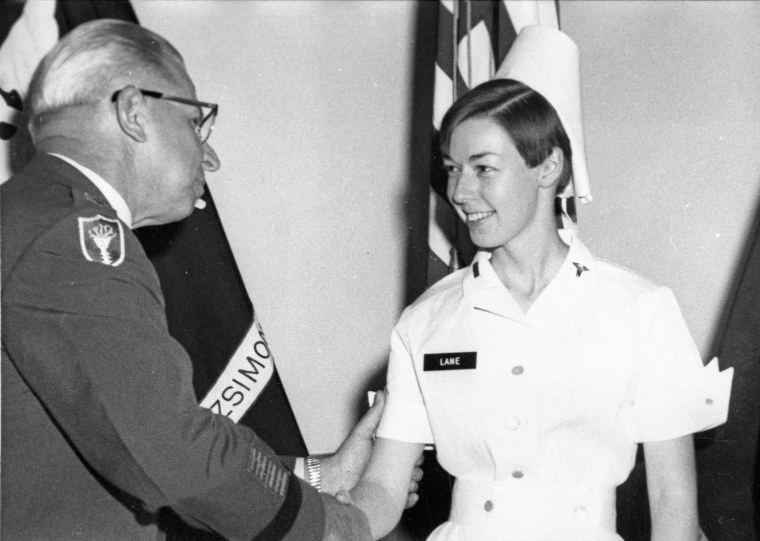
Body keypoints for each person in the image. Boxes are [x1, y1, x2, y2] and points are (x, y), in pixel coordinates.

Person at [1, 19, 421, 541]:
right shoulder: (75, 235)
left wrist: (323, 475)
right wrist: (340, 525)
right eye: (196, 123)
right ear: (134, 112)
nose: (210, 155)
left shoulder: (32, 215)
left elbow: (105, 447)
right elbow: (170, 449)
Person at [340, 26, 733, 540]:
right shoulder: (427, 320)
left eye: (483, 169)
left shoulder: (641, 309)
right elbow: (385, 491)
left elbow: (673, 506)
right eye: (452, 169)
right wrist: (317, 526)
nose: (459, 191)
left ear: (548, 167)